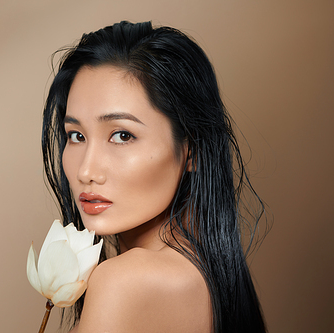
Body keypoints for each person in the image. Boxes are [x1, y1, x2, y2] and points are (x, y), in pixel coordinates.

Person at [42, 21, 266, 333]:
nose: (86, 171)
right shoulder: (210, 278)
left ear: (193, 151)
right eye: (76, 135)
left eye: (122, 135)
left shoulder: (123, 283)